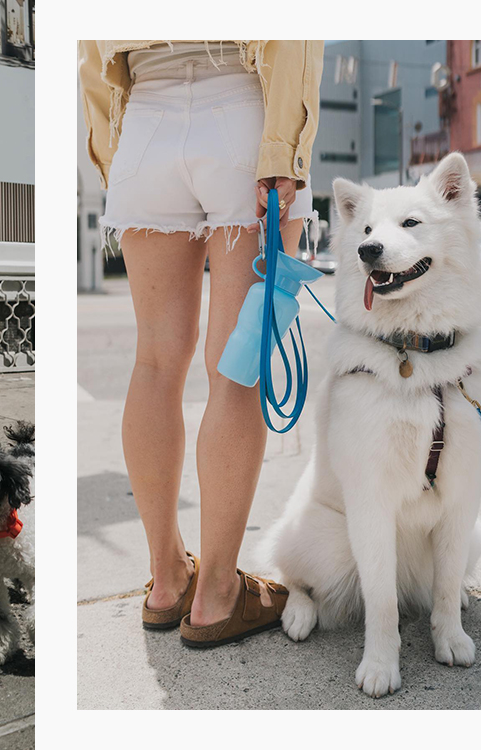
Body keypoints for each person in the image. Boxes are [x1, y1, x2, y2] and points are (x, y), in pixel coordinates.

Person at [79, 40, 323, 648]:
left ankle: (166, 580)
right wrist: (284, 146)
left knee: (155, 363)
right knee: (235, 366)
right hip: (241, 107)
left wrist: (116, 149)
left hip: (141, 116)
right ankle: (217, 593)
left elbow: (88, 55)